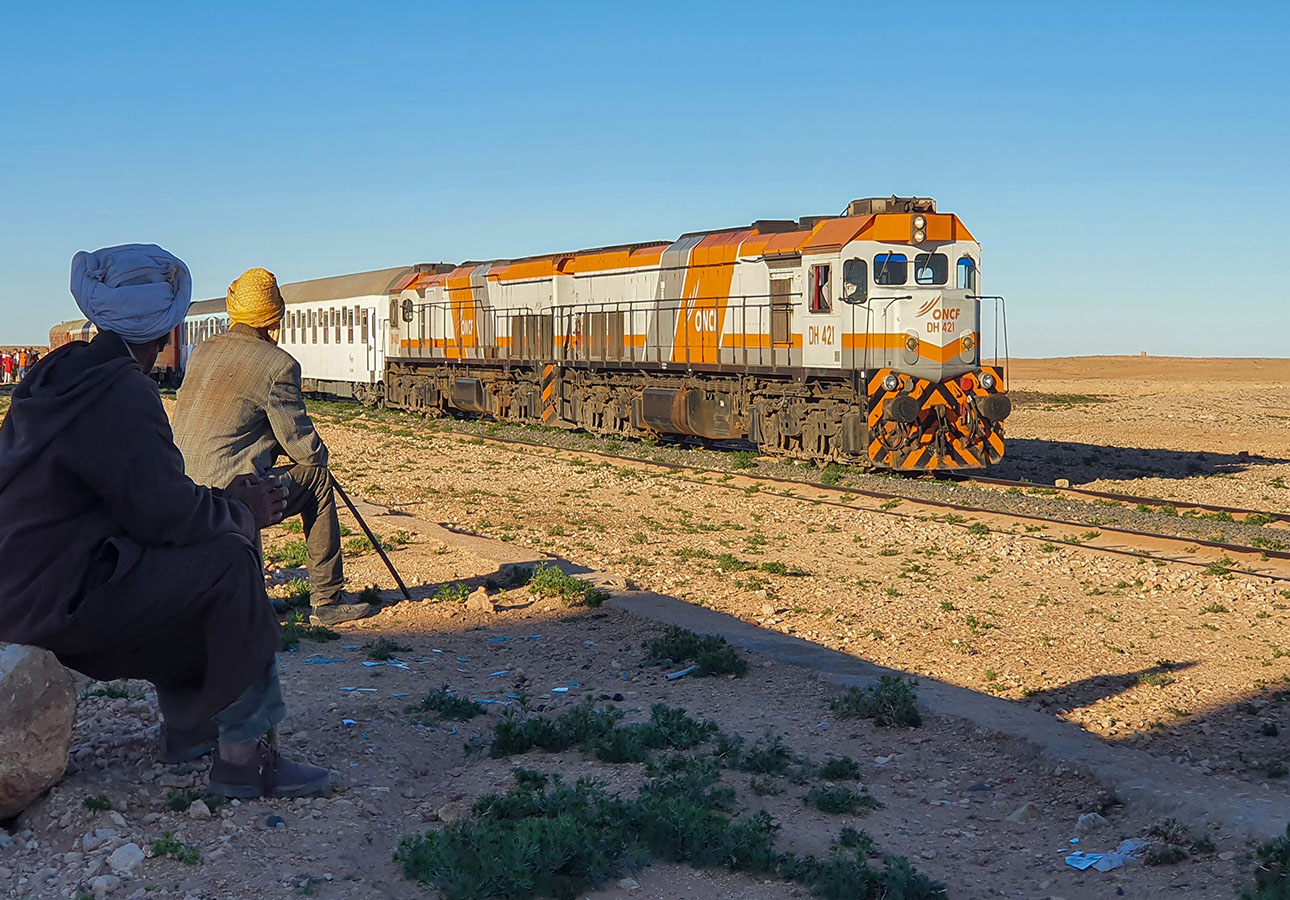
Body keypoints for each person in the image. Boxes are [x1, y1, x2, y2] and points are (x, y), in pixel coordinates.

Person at [0, 244, 331, 798]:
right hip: (57, 601)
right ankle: (246, 758)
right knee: (228, 559)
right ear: (163, 333)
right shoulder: (121, 390)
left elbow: (143, 500)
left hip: (20, 588)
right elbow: (164, 516)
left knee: (179, 563)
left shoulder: (58, 372)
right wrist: (241, 512)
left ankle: (188, 730)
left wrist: (218, 500)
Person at [173, 267, 374, 626]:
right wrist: (312, 452)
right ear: (274, 320)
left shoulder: (202, 350)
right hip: (230, 495)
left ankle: (253, 595)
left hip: (182, 492)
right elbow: (304, 449)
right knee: (316, 480)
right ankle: (328, 599)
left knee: (250, 468)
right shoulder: (278, 365)